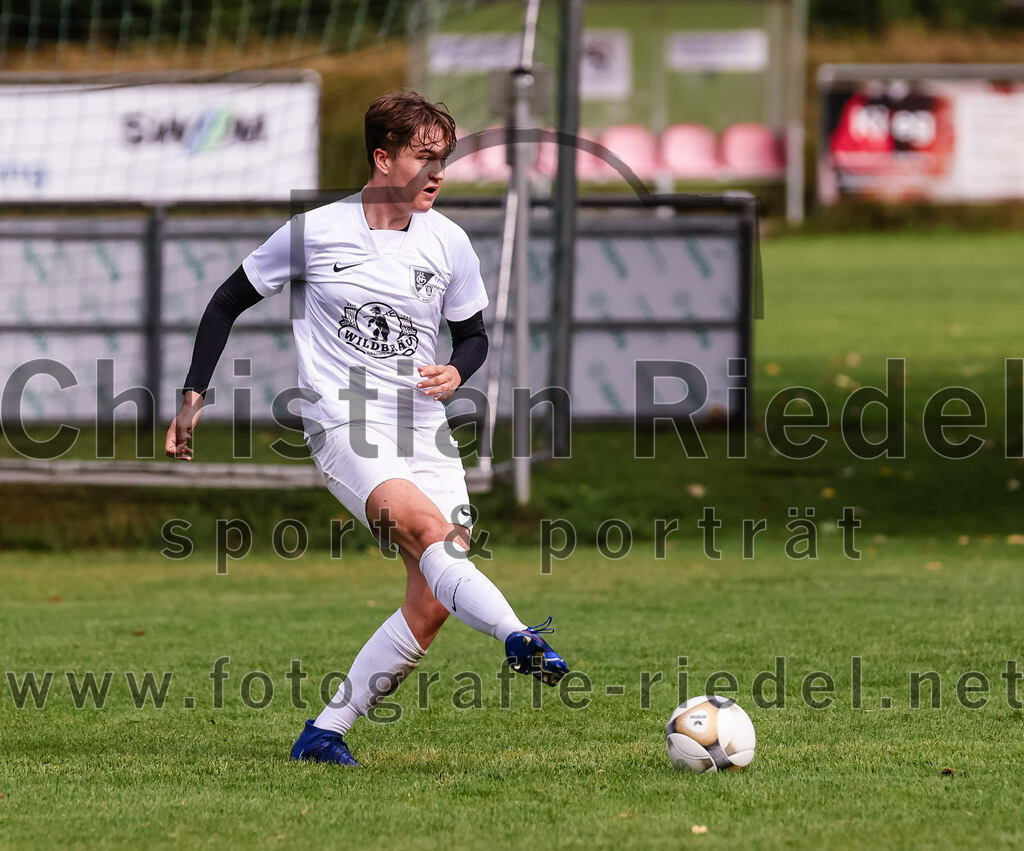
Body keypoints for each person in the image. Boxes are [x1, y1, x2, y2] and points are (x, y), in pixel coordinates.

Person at [164, 91, 569, 767]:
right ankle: (519, 634)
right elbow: (227, 300)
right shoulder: (315, 231)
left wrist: (456, 373)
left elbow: (473, 337)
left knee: (434, 596)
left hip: (424, 428)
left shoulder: (449, 242)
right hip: (342, 421)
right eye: (424, 155)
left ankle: (323, 733)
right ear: (383, 157)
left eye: (445, 157)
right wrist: (193, 394)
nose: (438, 171)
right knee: (426, 531)